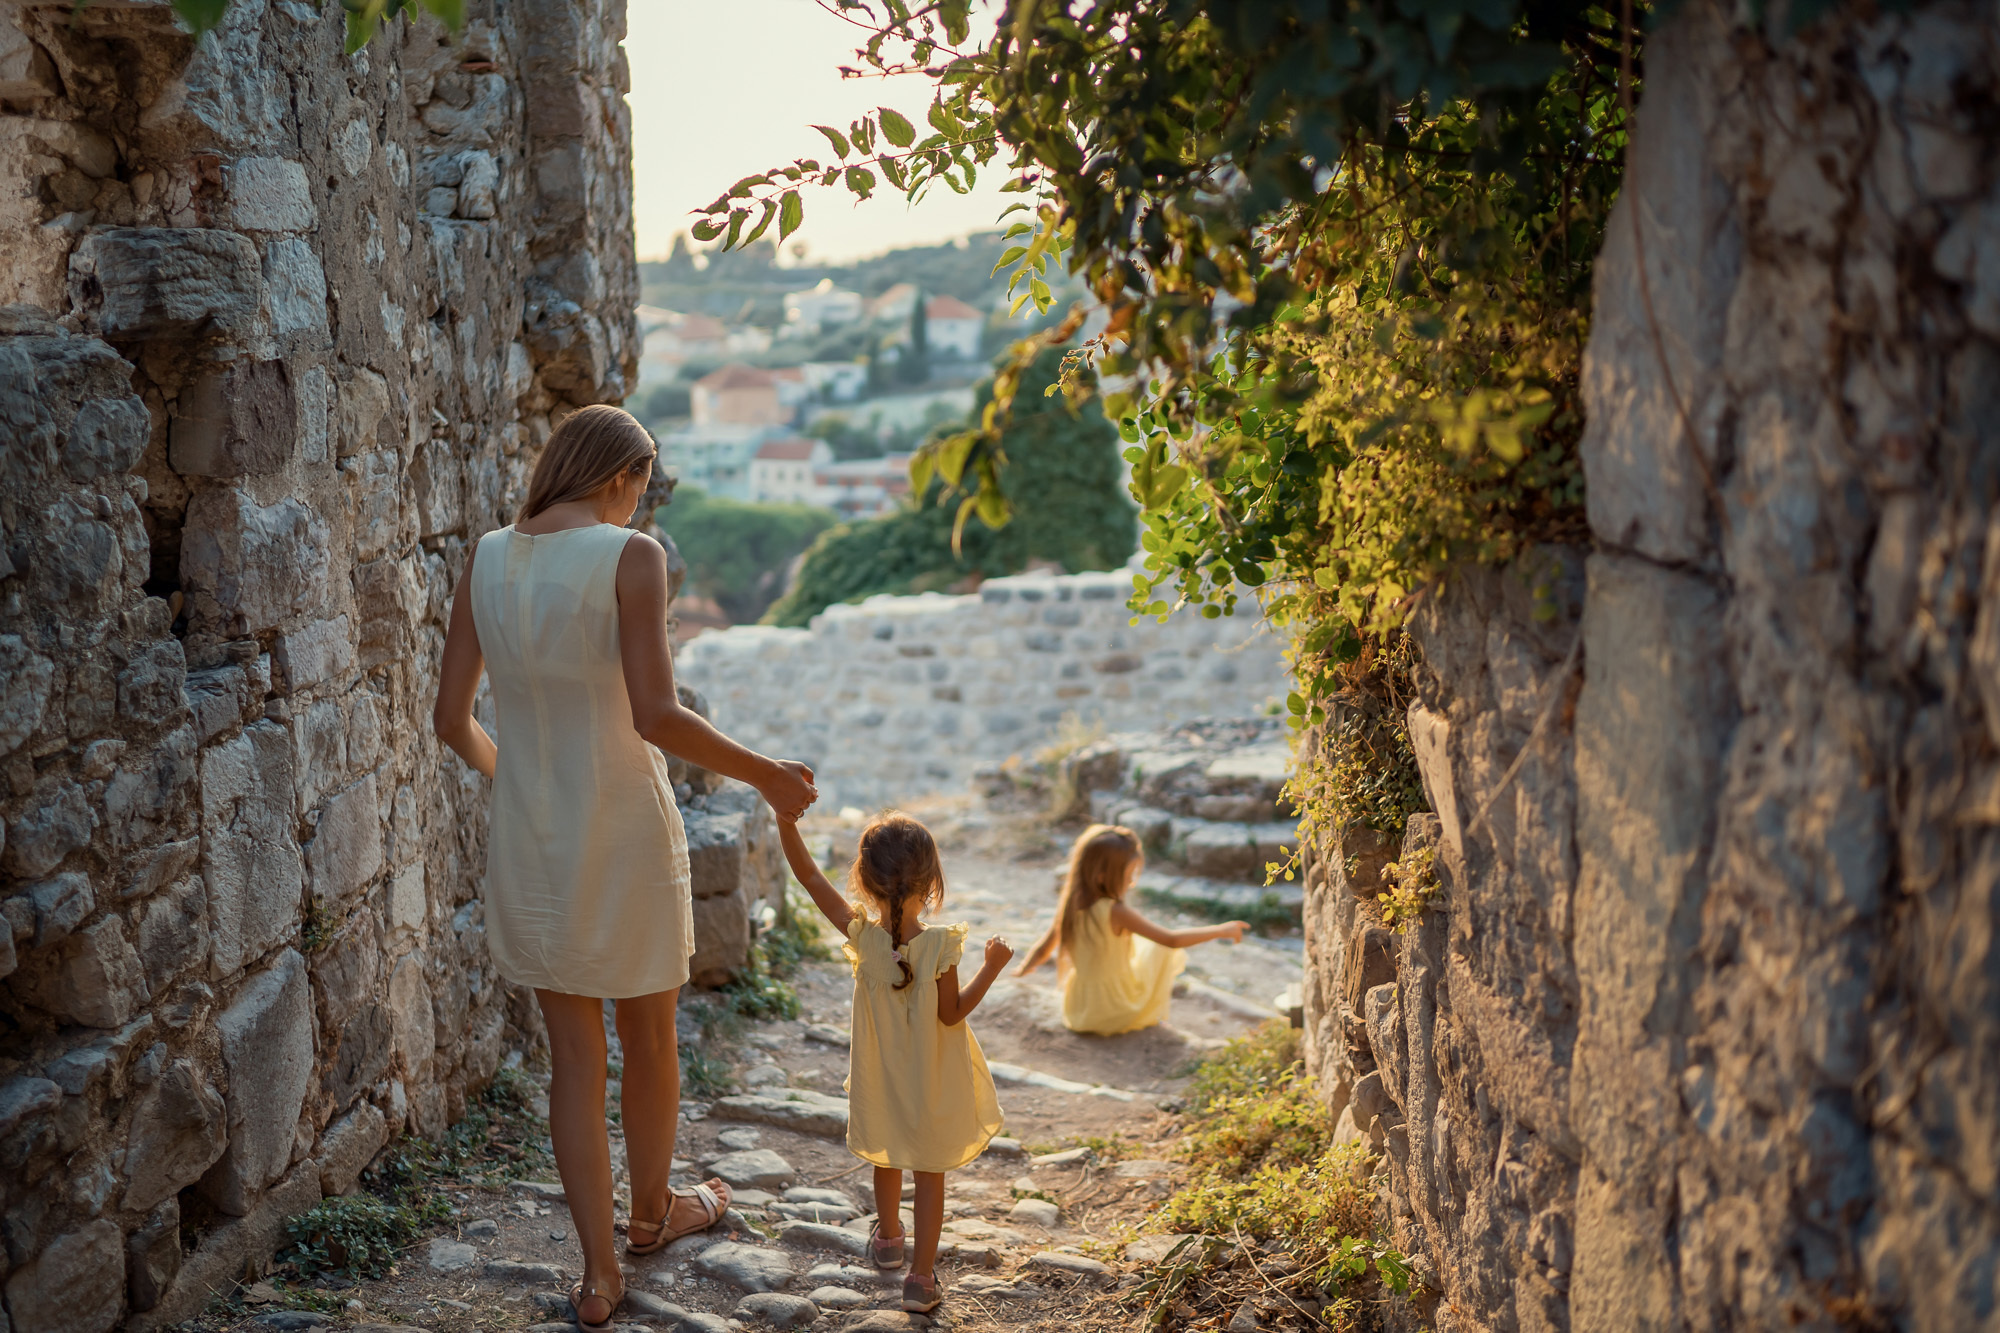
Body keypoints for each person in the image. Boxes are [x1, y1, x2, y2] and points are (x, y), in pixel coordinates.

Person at [433, 404, 818, 1332]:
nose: (640, 501)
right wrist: (766, 772)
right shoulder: (628, 554)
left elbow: (451, 719)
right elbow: (656, 712)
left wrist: (524, 781)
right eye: (643, 484)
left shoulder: (486, 555)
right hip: (626, 829)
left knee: (573, 1061)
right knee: (648, 1036)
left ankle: (600, 1274)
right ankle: (652, 1216)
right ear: (620, 475)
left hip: (531, 836)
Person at [775, 811, 1010, 1313]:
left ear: (863, 879)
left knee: (888, 1154)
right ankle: (921, 1279)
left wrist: (785, 820)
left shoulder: (862, 936)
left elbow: (810, 877)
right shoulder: (940, 946)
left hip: (880, 1079)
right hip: (931, 1081)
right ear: (931, 882)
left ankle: (887, 1240)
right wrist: (990, 969)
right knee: (929, 1170)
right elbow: (951, 1014)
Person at [1013, 823, 1249, 1035]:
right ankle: (1150, 1016)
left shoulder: (1071, 903)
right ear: (1103, 877)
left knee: (1146, 943)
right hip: (1115, 1008)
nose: (1132, 882)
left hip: (1079, 1009)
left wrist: (1023, 969)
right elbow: (1172, 940)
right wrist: (1220, 930)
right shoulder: (1115, 911)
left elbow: (1044, 947)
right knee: (1159, 948)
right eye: (1128, 875)